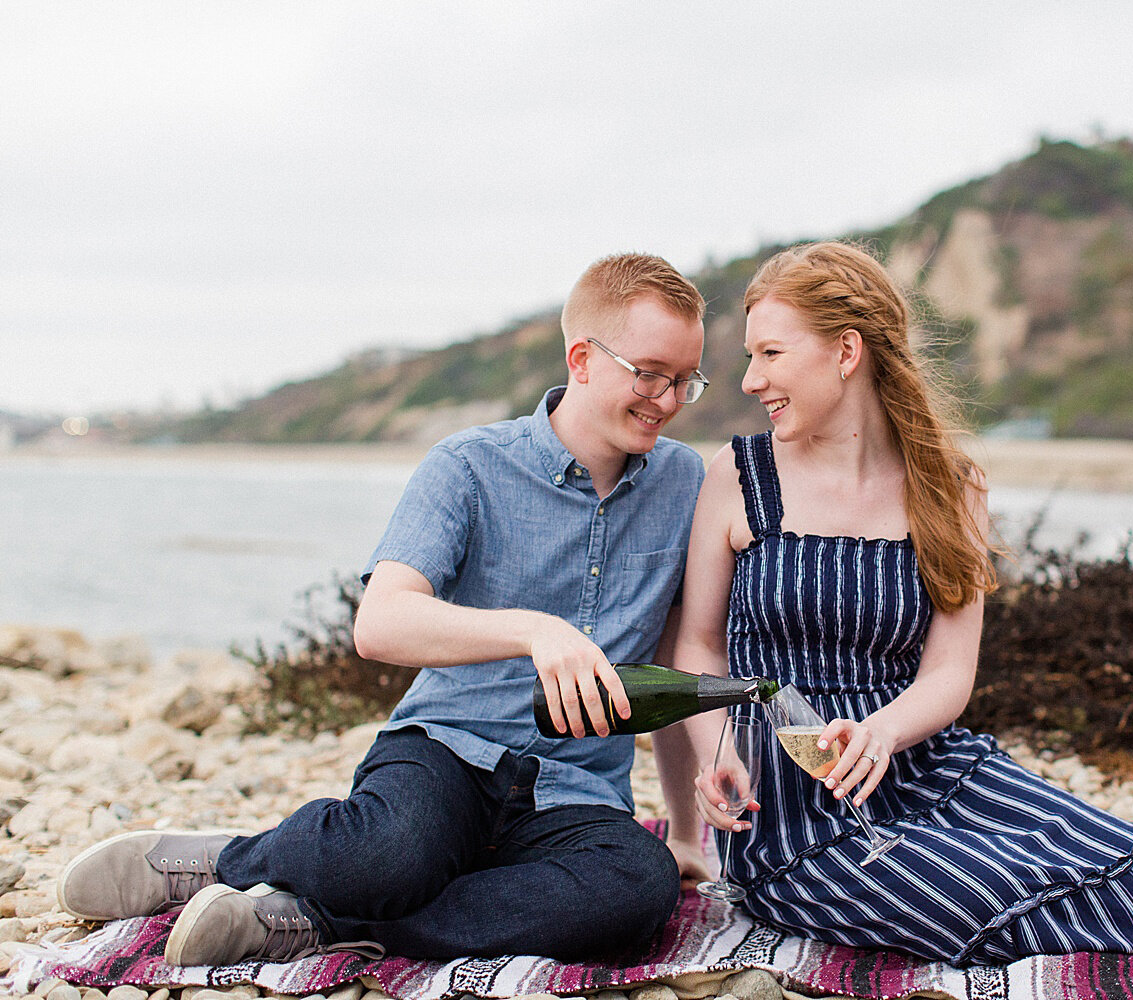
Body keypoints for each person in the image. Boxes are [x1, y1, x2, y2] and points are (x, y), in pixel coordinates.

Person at [56, 252, 715, 965]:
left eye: (686, 380)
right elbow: (380, 621)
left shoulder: (684, 483)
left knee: (637, 892)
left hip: (577, 792)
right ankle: (229, 860)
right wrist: (534, 631)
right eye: (649, 373)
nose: (669, 400)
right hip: (443, 753)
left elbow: (674, 665)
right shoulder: (467, 466)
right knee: (390, 856)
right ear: (582, 359)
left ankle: (318, 921)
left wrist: (683, 830)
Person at [673, 241, 1133, 966]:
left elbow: (950, 674)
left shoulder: (951, 488)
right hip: (789, 800)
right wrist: (721, 757)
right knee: (978, 899)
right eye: (750, 357)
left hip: (919, 757)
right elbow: (699, 648)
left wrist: (884, 734)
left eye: (770, 353)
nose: (750, 380)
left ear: (846, 351)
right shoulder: (737, 475)